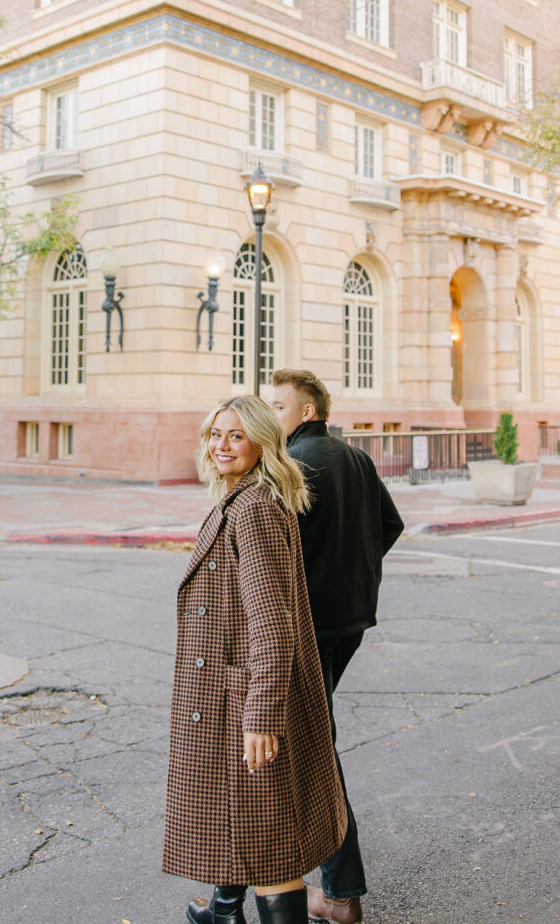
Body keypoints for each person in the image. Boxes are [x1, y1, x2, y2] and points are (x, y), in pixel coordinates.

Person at [163, 395, 349, 924]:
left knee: (268, 842)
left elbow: (273, 624)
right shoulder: (241, 498)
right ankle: (225, 912)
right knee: (247, 822)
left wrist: (262, 716)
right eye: (215, 434)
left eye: (236, 436)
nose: (221, 446)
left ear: (263, 443)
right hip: (232, 693)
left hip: (243, 701)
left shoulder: (255, 510)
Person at [269, 369, 404, 924]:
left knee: (314, 749)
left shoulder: (290, 466)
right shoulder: (356, 457)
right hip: (352, 618)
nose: (269, 414)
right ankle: (296, 880)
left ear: (305, 412)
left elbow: (268, 553)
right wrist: (356, 572)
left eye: (277, 406)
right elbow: (390, 526)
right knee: (306, 741)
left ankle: (341, 893)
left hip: (309, 627)